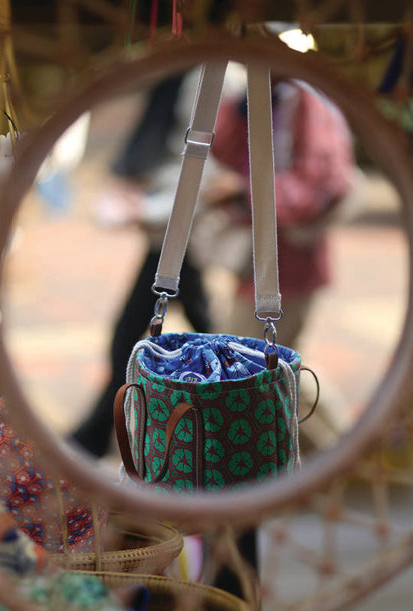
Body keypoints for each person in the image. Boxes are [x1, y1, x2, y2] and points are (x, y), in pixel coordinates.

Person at [70, 72, 212, 458]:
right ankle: (102, 433)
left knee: (210, 340)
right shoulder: (190, 76)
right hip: (171, 235)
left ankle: (100, 435)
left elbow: (205, 169)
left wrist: (145, 208)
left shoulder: (214, 79)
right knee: (147, 336)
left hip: (184, 235)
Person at [207, 77, 355, 348]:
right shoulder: (263, 94)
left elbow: (319, 186)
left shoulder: (308, 104)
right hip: (256, 266)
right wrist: (242, 107)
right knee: (257, 369)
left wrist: (245, 191)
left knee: (256, 371)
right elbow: (220, 149)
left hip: (289, 268)